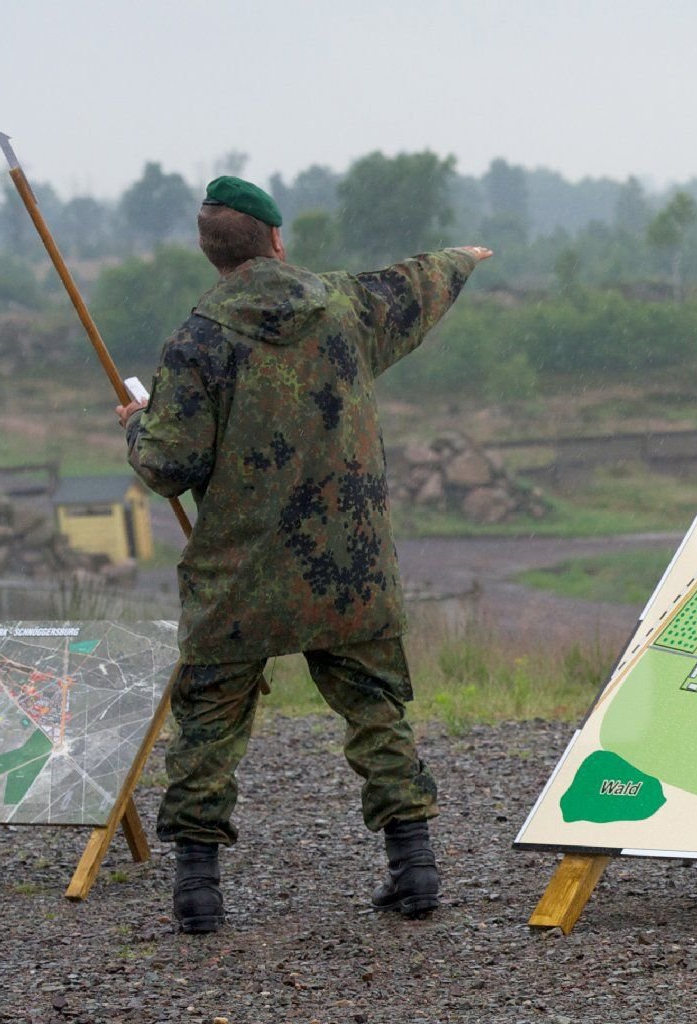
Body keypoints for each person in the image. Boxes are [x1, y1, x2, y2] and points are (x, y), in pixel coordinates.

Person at [116, 175, 491, 933]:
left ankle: (197, 892)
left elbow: (166, 467)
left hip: (240, 576)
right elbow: (415, 283)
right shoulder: (344, 308)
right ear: (276, 239)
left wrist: (137, 424)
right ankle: (413, 871)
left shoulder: (197, 340)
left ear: (211, 253)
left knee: (209, 726)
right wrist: (466, 257)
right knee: (376, 713)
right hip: (349, 569)